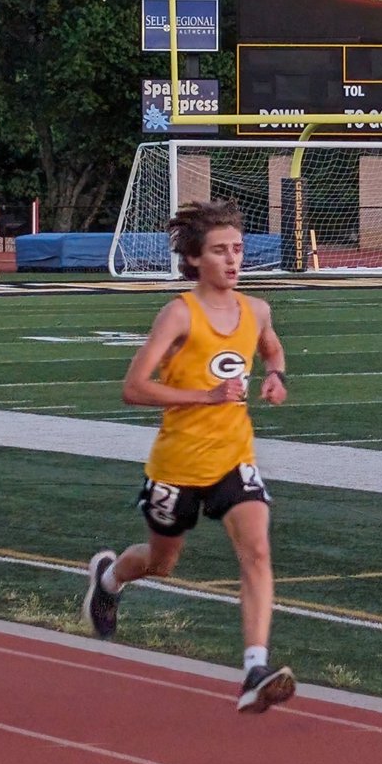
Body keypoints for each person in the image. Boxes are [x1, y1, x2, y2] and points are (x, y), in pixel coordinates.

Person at [83, 198, 295, 713]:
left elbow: (269, 343)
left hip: (232, 457)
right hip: (177, 465)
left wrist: (275, 374)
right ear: (196, 259)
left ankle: (254, 669)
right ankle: (108, 581)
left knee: (258, 552)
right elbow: (133, 388)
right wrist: (206, 396)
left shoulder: (256, 308)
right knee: (161, 562)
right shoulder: (179, 313)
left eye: (238, 249)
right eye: (220, 250)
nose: (232, 259)